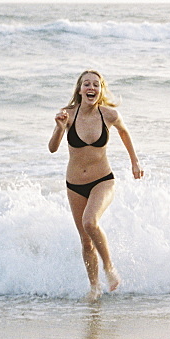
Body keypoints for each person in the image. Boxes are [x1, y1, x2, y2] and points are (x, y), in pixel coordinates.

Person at [49, 70, 143, 301]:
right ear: (80, 89)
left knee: (90, 222)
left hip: (103, 180)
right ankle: (94, 287)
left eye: (96, 84)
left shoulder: (109, 114)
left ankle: (109, 268)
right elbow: (52, 148)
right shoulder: (67, 115)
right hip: (74, 185)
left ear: (100, 90)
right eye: (86, 84)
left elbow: (124, 132)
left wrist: (135, 161)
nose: (91, 87)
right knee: (85, 240)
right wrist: (61, 128)